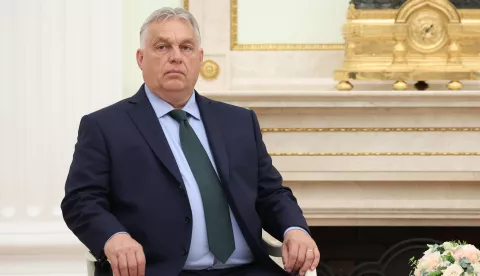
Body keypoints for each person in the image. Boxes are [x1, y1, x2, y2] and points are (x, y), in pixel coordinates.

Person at [61, 7, 320, 276]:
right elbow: (81, 200)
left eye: (186, 47)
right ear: (140, 58)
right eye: (162, 47)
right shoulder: (105, 126)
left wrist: (295, 230)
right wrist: (114, 237)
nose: (176, 57)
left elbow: (271, 193)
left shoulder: (239, 122)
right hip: (159, 271)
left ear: (199, 57)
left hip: (247, 270)